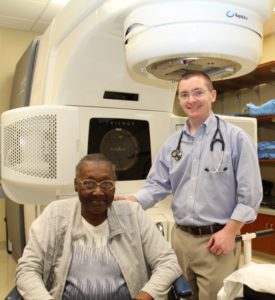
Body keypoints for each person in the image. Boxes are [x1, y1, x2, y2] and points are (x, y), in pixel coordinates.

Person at [116, 71, 263, 300]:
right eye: (184, 94)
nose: (191, 100)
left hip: (216, 241)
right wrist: (132, 201)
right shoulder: (174, 143)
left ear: (212, 95)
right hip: (180, 240)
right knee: (179, 294)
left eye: (198, 92)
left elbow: (250, 194)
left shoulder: (236, 139)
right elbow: (157, 185)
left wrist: (231, 231)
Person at [16, 153, 182, 300]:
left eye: (106, 184)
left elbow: (168, 263)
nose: (98, 192)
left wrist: (144, 296)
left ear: (114, 186)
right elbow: (28, 269)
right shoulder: (56, 214)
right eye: (88, 184)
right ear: (76, 185)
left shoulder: (133, 214)